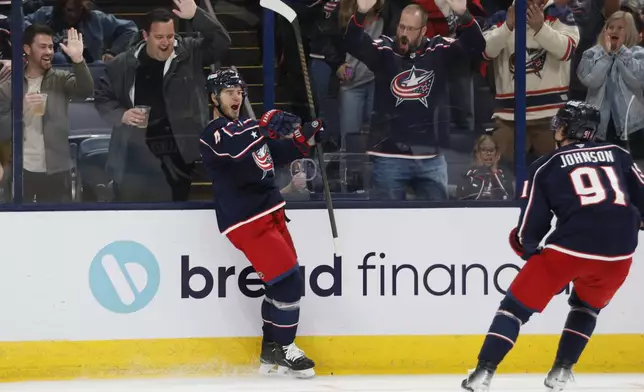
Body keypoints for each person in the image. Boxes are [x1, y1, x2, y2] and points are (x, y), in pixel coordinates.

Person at [461, 101, 644, 392]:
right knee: (587, 308)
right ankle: (561, 371)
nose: (556, 127)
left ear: (569, 128)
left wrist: (527, 249)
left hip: (569, 250)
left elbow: (530, 227)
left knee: (513, 310)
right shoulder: (619, 154)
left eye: (561, 123)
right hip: (620, 254)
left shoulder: (546, 164)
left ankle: (483, 373)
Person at [198, 69, 325, 378]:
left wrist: (302, 138)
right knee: (288, 281)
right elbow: (240, 144)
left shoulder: (246, 128)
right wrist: (263, 125)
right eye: (229, 92)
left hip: (270, 211)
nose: (236, 97)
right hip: (246, 220)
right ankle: (285, 347)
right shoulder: (214, 133)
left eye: (239, 91)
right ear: (214, 98)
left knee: (279, 281)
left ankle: (270, 351)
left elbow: (271, 151)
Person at [344, 0, 485, 201]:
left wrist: (464, 14)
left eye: (411, 28)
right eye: (401, 26)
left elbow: (476, 46)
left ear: (423, 31)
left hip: (431, 159)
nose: (404, 33)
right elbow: (352, 43)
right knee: (387, 222)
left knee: (437, 223)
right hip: (388, 158)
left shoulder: (439, 49)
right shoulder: (384, 49)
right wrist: (360, 14)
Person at [94, 0, 230, 202]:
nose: (166, 42)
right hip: (134, 157)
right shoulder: (122, 63)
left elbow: (221, 43)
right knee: (133, 214)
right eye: (159, 37)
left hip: (177, 156)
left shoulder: (190, 54)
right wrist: (122, 114)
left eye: (170, 36)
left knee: (174, 214)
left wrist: (196, 16)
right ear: (145, 36)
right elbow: (102, 97)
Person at [0, 24, 93, 202]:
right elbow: (2, 130)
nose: (49, 52)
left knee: (58, 225)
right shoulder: (9, 86)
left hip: (57, 170)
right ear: (27, 49)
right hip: (21, 170)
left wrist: (78, 60)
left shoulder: (61, 78)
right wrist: (20, 109)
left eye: (51, 47)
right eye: (43, 47)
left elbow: (85, 91)